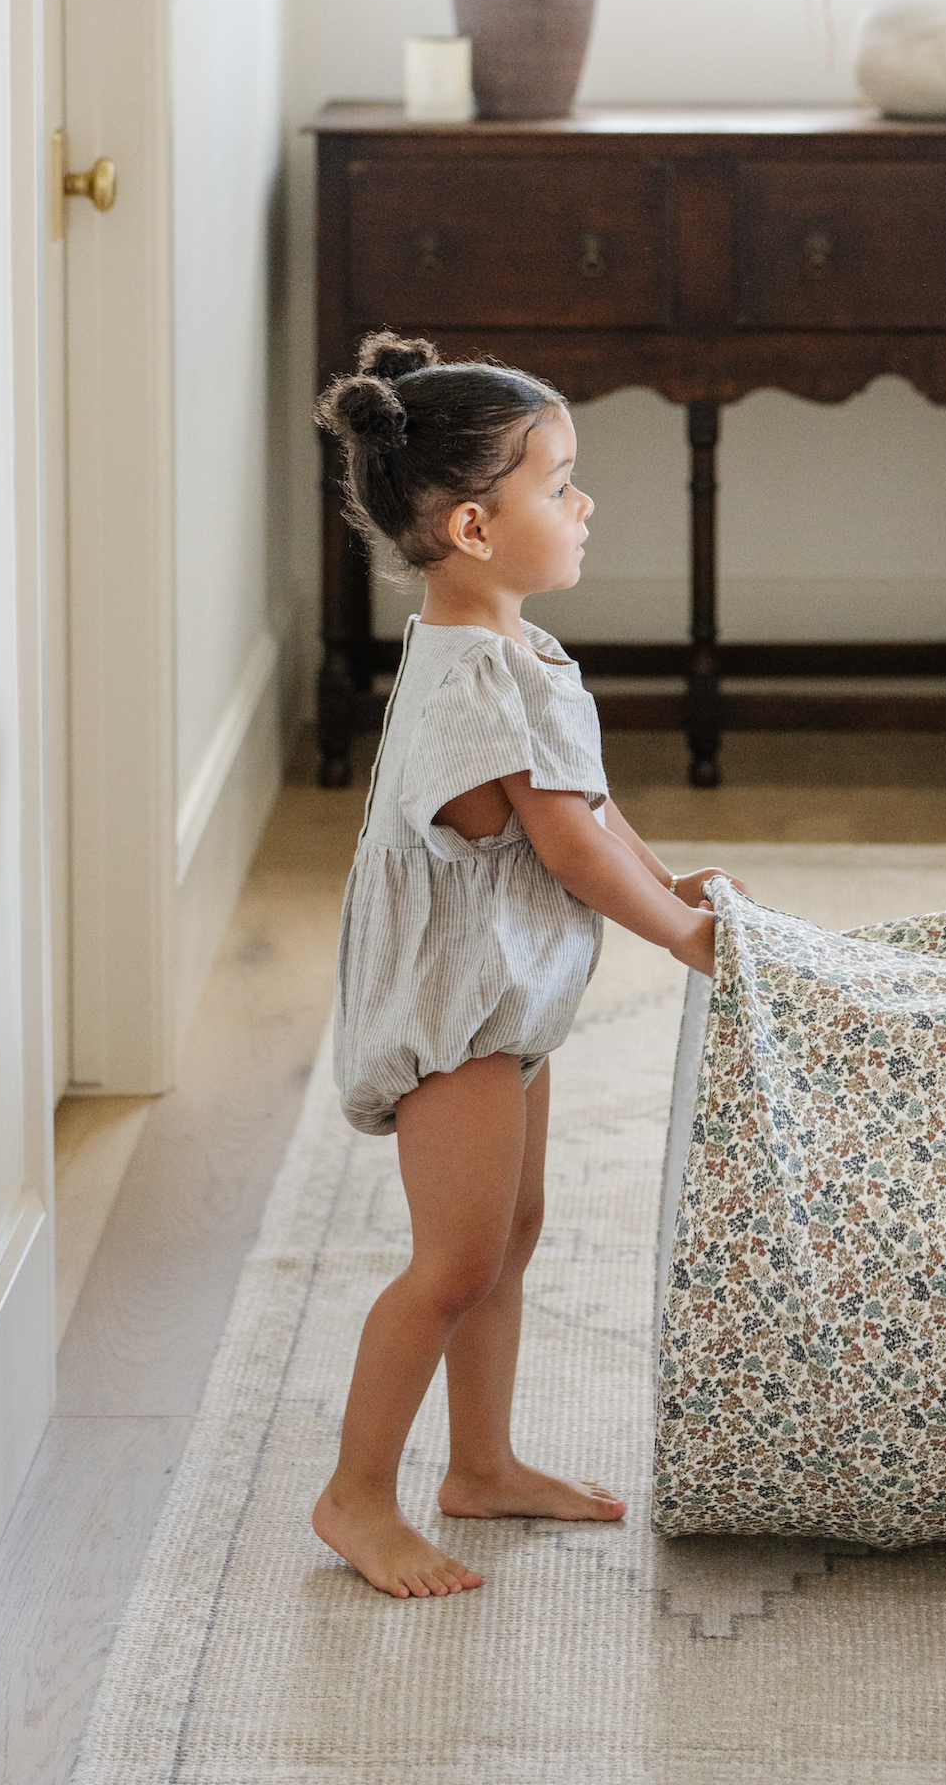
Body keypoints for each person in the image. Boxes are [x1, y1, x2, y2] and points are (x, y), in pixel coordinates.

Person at [309, 332, 729, 1600]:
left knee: (512, 1232)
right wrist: (680, 935)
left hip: (506, 993)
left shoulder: (515, 654)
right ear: (477, 529)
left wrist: (671, 879)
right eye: (560, 483)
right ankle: (355, 1496)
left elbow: (589, 810)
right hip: (456, 1010)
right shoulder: (483, 679)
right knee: (450, 1265)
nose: (584, 502)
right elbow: (569, 848)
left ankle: (478, 1463)